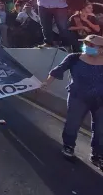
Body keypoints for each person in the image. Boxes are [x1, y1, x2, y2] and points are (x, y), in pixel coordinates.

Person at [41, 35, 103, 168]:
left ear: (101, 49)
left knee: (100, 129)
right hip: (77, 97)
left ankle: (97, 155)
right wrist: (46, 83)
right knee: (72, 123)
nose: (87, 47)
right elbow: (57, 70)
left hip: (100, 100)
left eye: (92, 45)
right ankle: (68, 146)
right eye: (86, 44)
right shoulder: (74, 58)